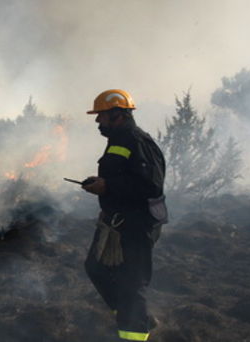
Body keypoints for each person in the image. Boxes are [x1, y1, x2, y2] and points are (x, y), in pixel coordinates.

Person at [81, 89, 167, 341]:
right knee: (95, 268)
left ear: (118, 114)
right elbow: (124, 176)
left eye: (102, 116)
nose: (97, 121)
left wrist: (107, 186)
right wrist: (102, 182)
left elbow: (151, 186)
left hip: (137, 224)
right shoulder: (118, 140)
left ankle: (134, 332)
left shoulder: (137, 142)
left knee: (131, 284)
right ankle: (134, 315)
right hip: (116, 222)